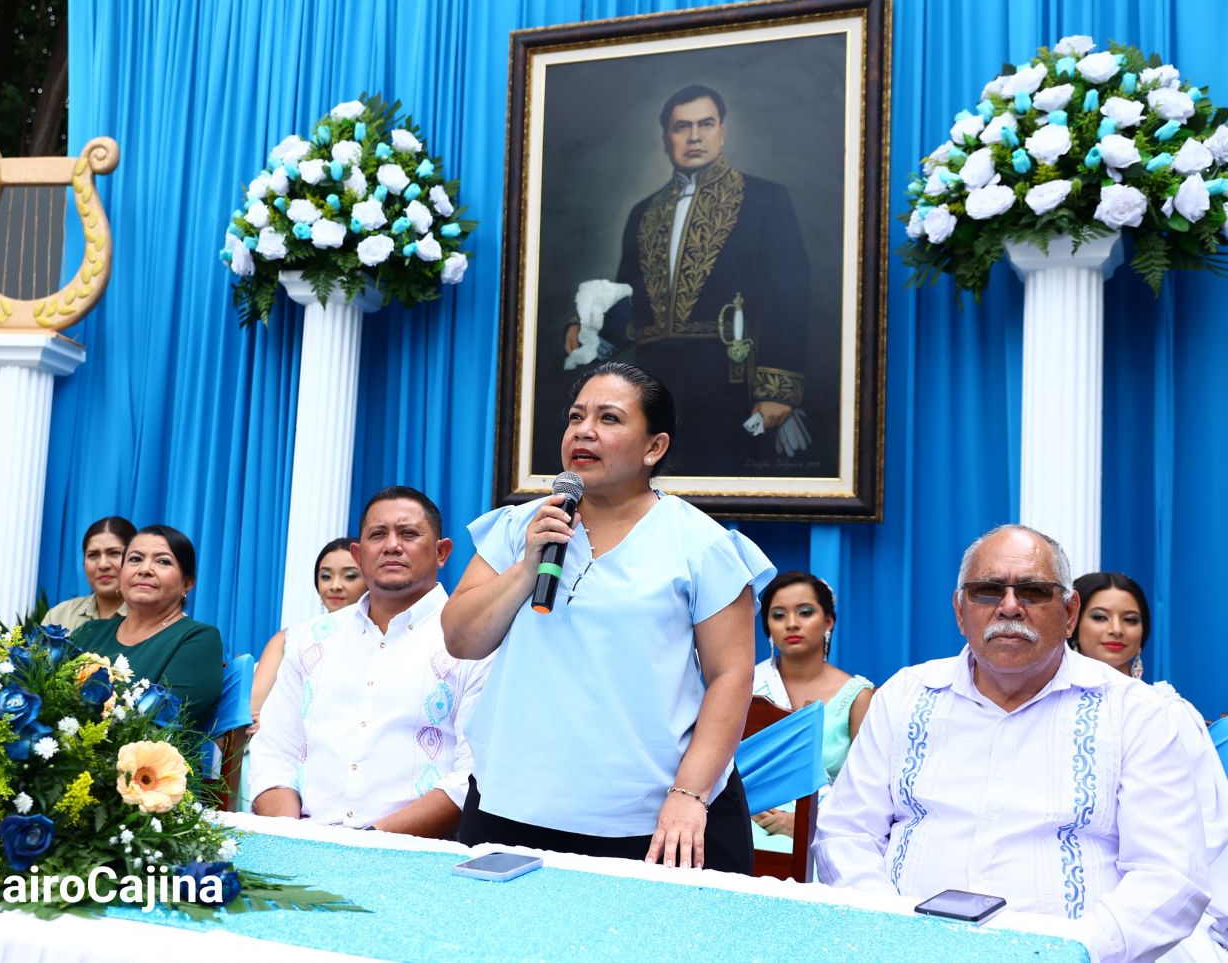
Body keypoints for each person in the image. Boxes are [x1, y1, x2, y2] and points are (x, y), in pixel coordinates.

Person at [813, 525, 1209, 962]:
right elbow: (847, 833)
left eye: (1034, 591)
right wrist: (892, 933)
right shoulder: (905, 696)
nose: (1009, 607)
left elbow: (1168, 876)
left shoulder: (1136, 713)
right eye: (986, 590)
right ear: (960, 610)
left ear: (1070, 611)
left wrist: (1069, 952)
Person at [443, 362, 773, 873]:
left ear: (654, 448)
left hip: (651, 820)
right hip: (514, 803)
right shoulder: (520, 526)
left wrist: (689, 794)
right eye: (576, 417)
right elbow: (461, 638)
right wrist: (527, 565)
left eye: (610, 419)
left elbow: (731, 676)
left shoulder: (701, 544)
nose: (584, 430)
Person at [564, 84, 813, 472]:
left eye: (705, 124)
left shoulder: (765, 200)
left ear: (722, 131)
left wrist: (776, 389)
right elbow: (632, 299)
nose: (694, 136)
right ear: (667, 138)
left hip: (729, 379)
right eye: (682, 127)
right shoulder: (643, 212)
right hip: (652, 384)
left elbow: (790, 297)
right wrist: (591, 331)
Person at [247, 488, 489, 838]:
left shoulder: (473, 640)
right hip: (302, 848)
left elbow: (471, 775)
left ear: (442, 552)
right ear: (359, 556)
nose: (392, 545)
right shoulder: (312, 638)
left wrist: (365, 843)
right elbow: (274, 751)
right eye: (378, 534)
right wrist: (293, 839)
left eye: (408, 533)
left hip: (416, 859)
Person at [1071, 571, 1228, 953]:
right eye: (1100, 616)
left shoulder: (1168, 712)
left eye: (1130, 619)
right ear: (1071, 623)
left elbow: (1209, 824)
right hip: (1057, 910)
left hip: (1155, 911)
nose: (1116, 629)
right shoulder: (1036, 710)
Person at [750, 570, 873, 852]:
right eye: (778, 615)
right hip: (747, 827)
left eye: (805, 612)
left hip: (824, 836)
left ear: (828, 621)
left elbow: (868, 790)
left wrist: (805, 823)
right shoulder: (747, 684)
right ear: (767, 627)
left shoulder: (858, 697)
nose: (791, 624)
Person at [72, 524, 222, 731]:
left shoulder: (198, 640)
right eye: (135, 559)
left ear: (187, 583)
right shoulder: (89, 632)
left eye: (163, 561)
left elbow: (155, 727)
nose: (144, 569)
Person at [248, 537, 363, 734]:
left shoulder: (383, 639)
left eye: (350, 576)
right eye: (326, 576)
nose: (335, 585)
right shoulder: (291, 638)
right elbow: (253, 709)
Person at [42, 516, 136, 631]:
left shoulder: (150, 618)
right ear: (83, 563)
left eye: (114, 553)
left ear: (134, 560)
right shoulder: (60, 616)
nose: (103, 565)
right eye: (93, 555)